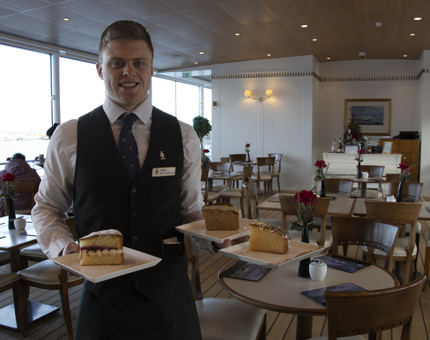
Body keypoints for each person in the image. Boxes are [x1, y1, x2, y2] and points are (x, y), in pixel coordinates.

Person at [32, 20, 244, 339]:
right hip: (102, 300)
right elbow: (46, 208)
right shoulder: (69, 136)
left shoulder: (184, 135)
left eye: (138, 63)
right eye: (117, 63)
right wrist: (63, 247)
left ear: (151, 69)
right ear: (101, 70)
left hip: (170, 298)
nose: (129, 72)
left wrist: (217, 236)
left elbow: (191, 212)